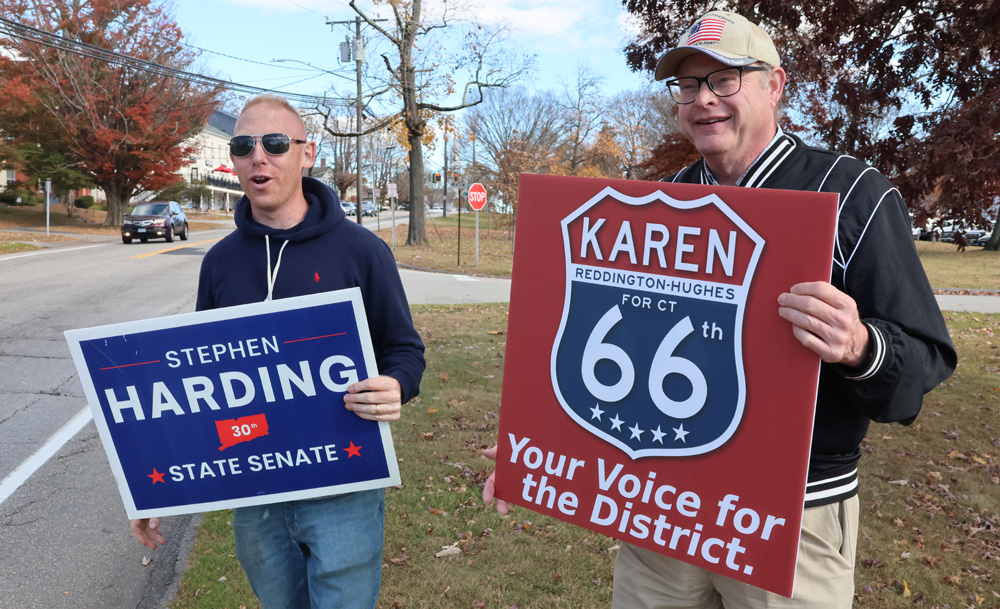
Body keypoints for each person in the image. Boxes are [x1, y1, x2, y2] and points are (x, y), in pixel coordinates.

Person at [484, 10, 956, 609]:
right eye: (688, 85)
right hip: (662, 510)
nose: (703, 100)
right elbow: (604, 353)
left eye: (724, 79)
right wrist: (538, 452)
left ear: (774, 85)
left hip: (790, 517)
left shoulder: (851, 194)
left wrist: (860, 345)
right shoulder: (656, 202)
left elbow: (924, 364)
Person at [129, 94, 425, 609]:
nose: (258, 157)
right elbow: (200, 386)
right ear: (236, 159)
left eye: (275, 143)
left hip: (344, 486)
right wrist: (155, 487)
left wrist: (396, 385)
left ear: (306, 155)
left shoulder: (362, 251)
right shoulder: (219, 263)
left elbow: (404, 350)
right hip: (256, 493)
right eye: (244, 145)